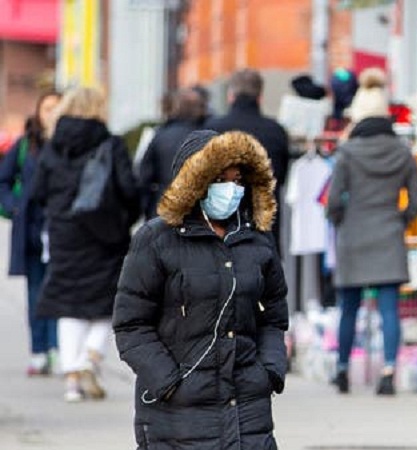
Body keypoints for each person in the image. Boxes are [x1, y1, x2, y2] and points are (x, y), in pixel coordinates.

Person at [113, 130, 289, 449]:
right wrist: (169, 382)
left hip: (248, 409)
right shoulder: (156, 240)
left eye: (238, 180)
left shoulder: (257, 239)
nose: (231, 189)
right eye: (221, 179)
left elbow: (274, 317)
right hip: (177, 416)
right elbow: (131, 324)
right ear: (196, 180)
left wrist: (270, 371)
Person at [32, 86, 140, 402]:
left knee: (68, 305)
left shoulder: (54, 147)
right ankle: (93, 356)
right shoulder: (111, 143)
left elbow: (38, 191)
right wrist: (125, 219)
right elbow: (129, 190)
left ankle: (72, 379)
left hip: (65, 233)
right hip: (105, 234)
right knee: (107, 301)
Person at [326, 68, 417, 396]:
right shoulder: (403, 152)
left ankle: (342, 370)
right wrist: (400, 220)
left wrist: (341, 220)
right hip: (388, 234)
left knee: (348, 308)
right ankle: (388, 372)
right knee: (388, 309)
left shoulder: (347, 153)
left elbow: (333, 199)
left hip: (353, 235)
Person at [0, 90, 61, 376]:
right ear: (38, 111)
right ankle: (39, 350)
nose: (51, 113)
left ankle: (57, 348)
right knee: (36, 291)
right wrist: (13, 206)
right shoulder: (26, 145)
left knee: (60, 291)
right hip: (31, 228)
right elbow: (4, 179)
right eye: (47, 107)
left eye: (56, 108)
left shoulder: (68, 143)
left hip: (62, 228)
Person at [205, 69, 290, 247]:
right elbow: (280, 176)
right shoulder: (275, 130)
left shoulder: (213, 128)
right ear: (260, 97)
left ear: (231, 96)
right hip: (263, 225)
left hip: (221, 224)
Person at [138, 88, 204, 219]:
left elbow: (144, 177)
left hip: (163, 206)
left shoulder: (159, 136)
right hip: (195, 210)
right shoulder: (204, 138)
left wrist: (146, 208)